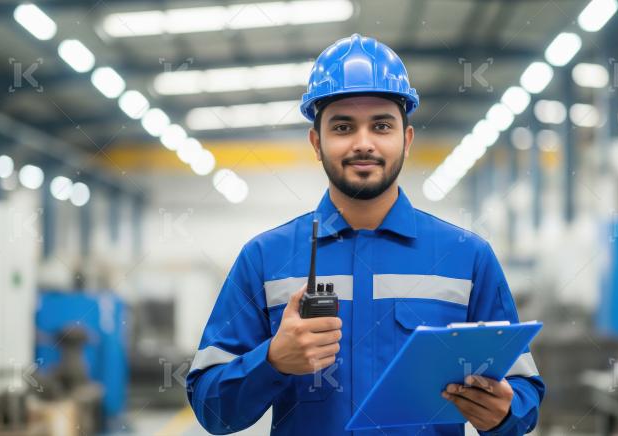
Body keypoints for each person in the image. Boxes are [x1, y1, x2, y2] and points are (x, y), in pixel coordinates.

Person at [187, 34, 545, 435]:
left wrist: (503, 413)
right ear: (316, 143)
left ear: (405, 140)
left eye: (381, 126)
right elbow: (211, 408)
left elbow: (524, 396)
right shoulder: (265, 259)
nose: (363, 143)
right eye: (342, 126)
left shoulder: (468, 257)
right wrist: (272, 360)